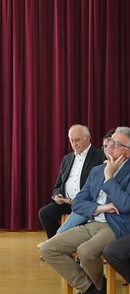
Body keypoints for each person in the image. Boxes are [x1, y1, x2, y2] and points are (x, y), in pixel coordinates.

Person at [40, 126, 130, 294]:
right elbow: (78, 203)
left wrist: (109, 176)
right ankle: (92, 289)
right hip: (92, 221)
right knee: (47, 249)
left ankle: (97, 288)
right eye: (109, 142)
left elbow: (125, 205)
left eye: (117, 144)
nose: (109, 146)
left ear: (128, 151)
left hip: (116, 226)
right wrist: (100, 207)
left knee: (85, 251)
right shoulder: (96, 171)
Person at [37, 129, 115, 249]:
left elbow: (97, 186)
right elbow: (58, 184)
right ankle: (57, 246)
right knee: (45, 213)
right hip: (66, 201)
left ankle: (56, 244)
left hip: (86, 201)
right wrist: (58, 195)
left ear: (88, 138)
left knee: (82, 211)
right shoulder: (67, 159)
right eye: (71, 141)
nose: (74, 144)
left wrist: (80, 199)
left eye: (77, 140)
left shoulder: (100, 155)